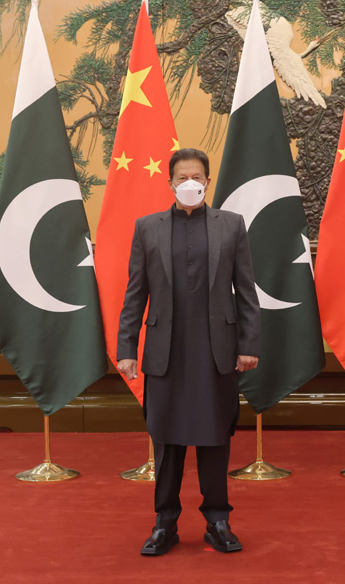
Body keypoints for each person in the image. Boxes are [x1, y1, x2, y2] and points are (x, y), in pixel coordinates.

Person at [117, 148, 260, 557]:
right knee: (166, 439)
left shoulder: (231, 225)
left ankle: (218, 521)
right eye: (182, 177)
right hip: (167, 352)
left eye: (197, 176)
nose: (190, 183)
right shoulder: (148, 228)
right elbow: (135, 293)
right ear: (170, 183)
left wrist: (249, 344)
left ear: (208, 181)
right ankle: (165, 523)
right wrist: (127, 348)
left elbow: (246, 291)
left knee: (215, 437)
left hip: (216, 351)